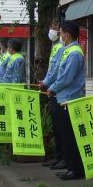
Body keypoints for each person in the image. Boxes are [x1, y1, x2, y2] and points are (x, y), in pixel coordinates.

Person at [48, 20, 86, 180]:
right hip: (63, 98)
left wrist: (53, 88)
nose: (60, 35)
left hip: (69, 100)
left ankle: (75, 169)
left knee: (70, 136)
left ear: (68, 34)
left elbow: (66, 78)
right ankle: (70, 167)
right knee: (64, 135)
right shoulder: (67, 50)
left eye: (61, 32)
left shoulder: (74, 53)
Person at [40, 19, 65, 169]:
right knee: (56, 127)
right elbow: (52, 69)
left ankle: (62, 158)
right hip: (53, 89)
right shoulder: (55, 46)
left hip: (58, 91)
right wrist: (46, 81)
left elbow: (57, 71)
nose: (51, 30)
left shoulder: (62, 47)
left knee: (61, 128)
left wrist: (49, 84)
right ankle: (58, 156)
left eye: (54, 28)